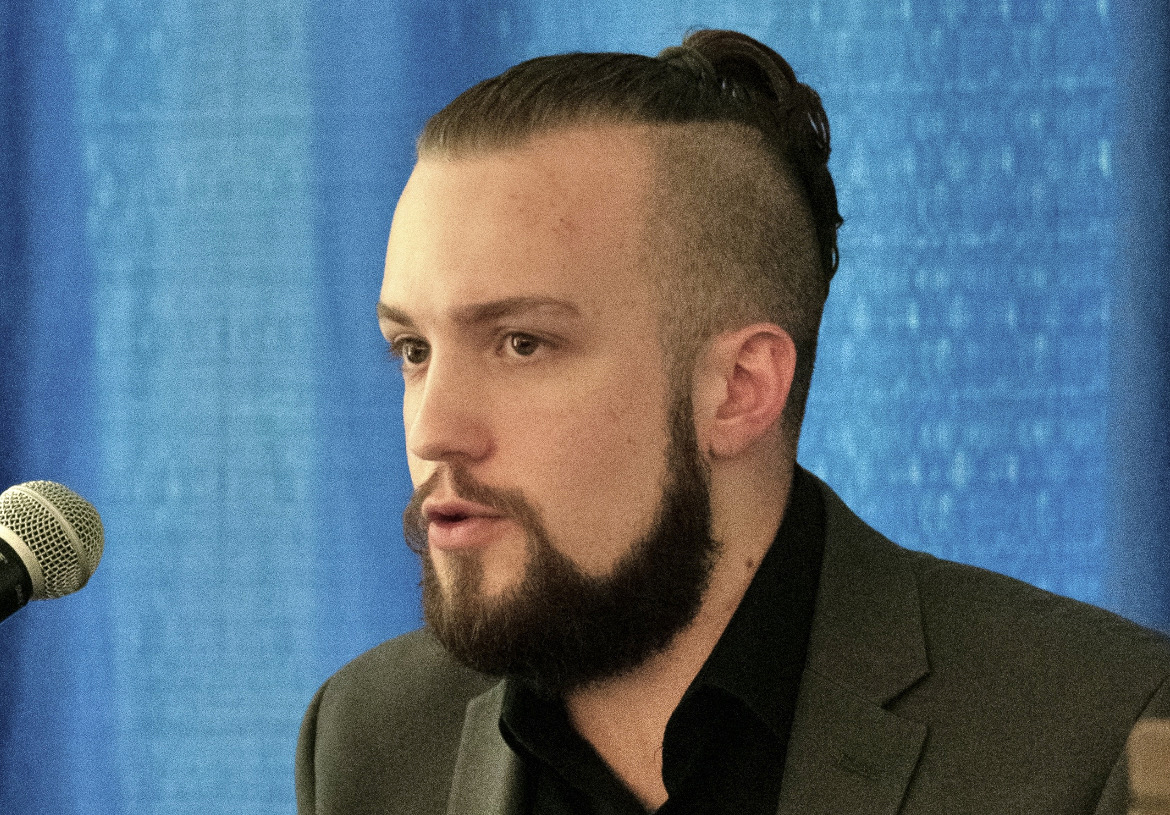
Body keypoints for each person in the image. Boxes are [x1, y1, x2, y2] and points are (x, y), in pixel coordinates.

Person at [296, 29, 1170, 815]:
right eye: (413, 349)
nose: (433, 429)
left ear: (741, 388)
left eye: (522, 343)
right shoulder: (369, 738)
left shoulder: (1102, 733)